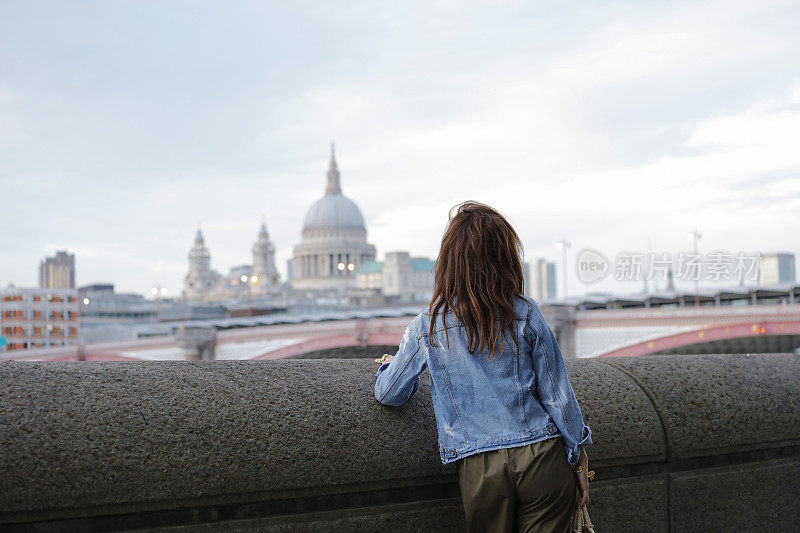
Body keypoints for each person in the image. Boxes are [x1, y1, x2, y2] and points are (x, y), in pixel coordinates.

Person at [374, 201, 592, 533]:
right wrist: (578, 456)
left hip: (479, 467)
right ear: (505, 259)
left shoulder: (428, 326)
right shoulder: (527, 313)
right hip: (542, 456)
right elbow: (558, 396)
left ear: (449, 264)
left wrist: (391, 367)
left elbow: (389, 393)